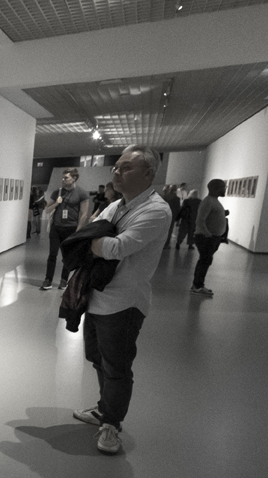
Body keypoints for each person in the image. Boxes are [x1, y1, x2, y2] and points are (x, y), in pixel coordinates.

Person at [72, 145, 172, 455]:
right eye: (116, 166)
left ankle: (111, 425)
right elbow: (93, 233)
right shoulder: (118, 206)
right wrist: (93, 239)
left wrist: (90, 242)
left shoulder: (156, 210)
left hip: (124, 304)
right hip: (98, 297)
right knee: (99, 359)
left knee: (116, 367)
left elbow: (118, 247)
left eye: (126, 168)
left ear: (148, 174)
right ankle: (105, 409)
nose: (116, 171)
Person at [40, 168, 90, 290]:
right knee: (52, 254)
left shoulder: (81, 193)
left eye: (66, 178)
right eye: (62, 177)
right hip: (56, 228)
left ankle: (64, 280)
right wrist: (57, 203)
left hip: (71, 228)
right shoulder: (57, 192)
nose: (63, 180)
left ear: (74, 178)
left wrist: (78, 231)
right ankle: (48, 280)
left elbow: (84, 214)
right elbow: (47, 209)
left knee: (67, 256)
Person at [190, 179, 228, 297]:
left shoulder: (213, 201)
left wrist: (223, 214)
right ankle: (197, 286)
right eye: (223, 187)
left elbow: (211, 216)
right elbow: (200, 220)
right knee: (204, 261)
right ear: (216, 188)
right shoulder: (208, 201)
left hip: (211, 238)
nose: (225, 189)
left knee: (205, 261)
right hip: (206, 238)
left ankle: (198, 285)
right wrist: (208, 234)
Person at [161, 184, 181, 248]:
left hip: (163, 214)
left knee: (162, 229)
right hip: (172, 215)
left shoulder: (164, 196)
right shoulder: (176, 198)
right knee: (169, 230)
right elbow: (177, 208)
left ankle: (161, 243)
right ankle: (166, 244)